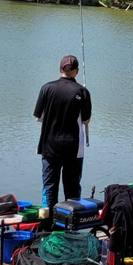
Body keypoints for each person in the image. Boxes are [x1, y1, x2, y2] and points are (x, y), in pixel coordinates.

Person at [34, 55, 92, 214]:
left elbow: (39, 117)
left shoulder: (46, 88)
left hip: (49, 146)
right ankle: (69, 228)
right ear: (77, 71)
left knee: (49, 187)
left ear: (60, 69)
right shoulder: (82, 91)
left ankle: (47, 225)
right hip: (74, 149)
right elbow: (86, 120)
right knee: (72, 190)